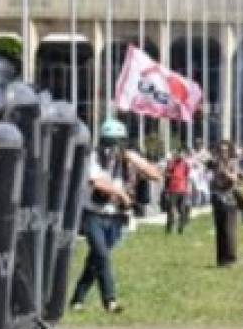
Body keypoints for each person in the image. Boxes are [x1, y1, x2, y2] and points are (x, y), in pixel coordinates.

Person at [69, 118, 159, 313]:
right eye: (109, 142)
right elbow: (98, 183)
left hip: (117, 217)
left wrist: (138, 163)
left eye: (117, 142)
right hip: (94, 214)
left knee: (96, 259)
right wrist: (121, 194)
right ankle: (110, 301)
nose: (112, 148)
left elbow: (156, 175)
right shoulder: (93, 157)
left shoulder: (129, 159)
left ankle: (77, 300)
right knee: (101, 255)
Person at [209, 141, 241, 267]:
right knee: (219, 228)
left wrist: (225, 172)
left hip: (229, 199)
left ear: (229, 151)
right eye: (221, 150)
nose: (223, 153)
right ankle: (221, 259)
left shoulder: (233, 163)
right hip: (217, 197)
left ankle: (230, 258)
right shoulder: (216, 163)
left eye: (225, 150)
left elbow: (235, 178)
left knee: (229, 230)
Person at [163, 147, 191, 235]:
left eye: (183, 154)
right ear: (177, 154)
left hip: (183, 190)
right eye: (180, 154)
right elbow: (166, 175)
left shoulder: (186, 165)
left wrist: (188, 188)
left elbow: (187, 177)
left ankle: (181, 228)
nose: (181, 156)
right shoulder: (171, 163)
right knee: (171, 210)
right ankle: (169, 228)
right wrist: (166, 189)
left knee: (182, 210)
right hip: (173, 189)